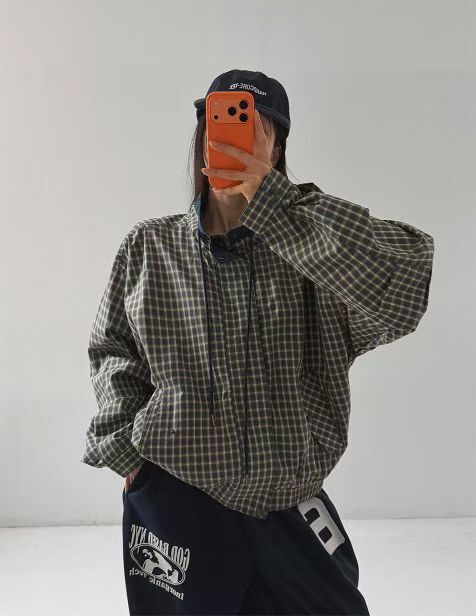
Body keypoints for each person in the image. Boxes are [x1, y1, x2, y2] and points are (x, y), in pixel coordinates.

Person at [81, 69, 434, 615]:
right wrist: (131, 460)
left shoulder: (318, 256)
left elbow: (405, 282)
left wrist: (277, 204)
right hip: (175, 499)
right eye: (217, 123)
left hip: (288, 503)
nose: (231, 139)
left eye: (251, 127)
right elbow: (113, 352)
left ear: (278, 146)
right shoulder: (150, 246)